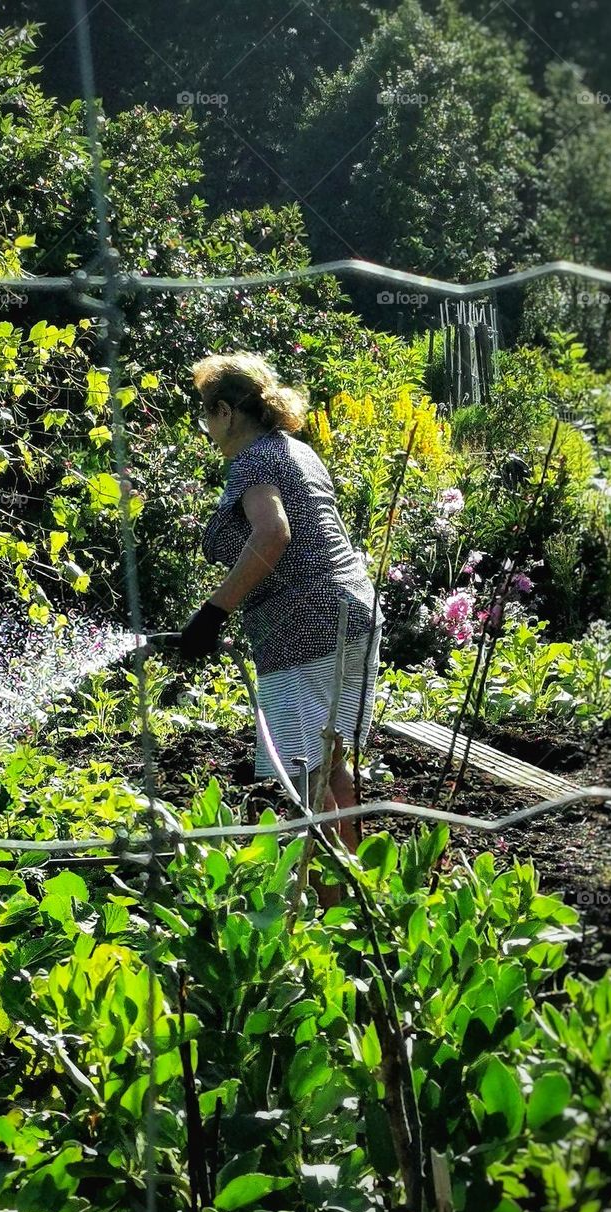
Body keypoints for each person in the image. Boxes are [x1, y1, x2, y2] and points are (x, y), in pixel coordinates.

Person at [177, 351, 385, 909]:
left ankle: (323, 909)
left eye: (206, 415)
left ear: (224, 412)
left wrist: (212, 612)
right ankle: (358, 906)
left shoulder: (251, 461)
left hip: (303, 630)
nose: (207, 430)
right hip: (350, 615)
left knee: (305, 780)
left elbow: (273, 535)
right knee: (331, 764)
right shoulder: (296, 451)